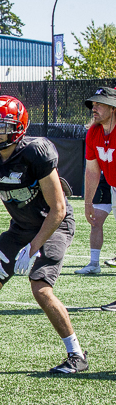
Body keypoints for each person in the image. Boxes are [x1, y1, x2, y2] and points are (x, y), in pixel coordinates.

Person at [0, 95, 88, 374]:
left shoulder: (36, 152)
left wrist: (35, 247)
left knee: (40, 286)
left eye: (2, 126)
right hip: (21, 227)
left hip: (52, 224)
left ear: (19, 126)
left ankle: (76, 355)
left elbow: (59, 209)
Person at [83, 87, 116, 311]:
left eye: (100, 104)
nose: (94, 107)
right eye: (93, 104)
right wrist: (87, 202)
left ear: (113, 108)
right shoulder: (93, 133)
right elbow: (92, 171)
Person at [76, 173, 112, 274]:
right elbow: (91, 171)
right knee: (95, 222)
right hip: (105, 181)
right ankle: (94, 263)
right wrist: (88, 202)